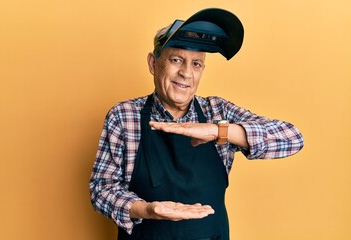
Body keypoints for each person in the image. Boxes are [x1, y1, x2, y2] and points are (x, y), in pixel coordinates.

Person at [89, 8, 304, 240]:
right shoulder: (124, 116)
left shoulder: (218, 111)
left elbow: (292, 138)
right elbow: (102, 189)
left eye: (196, 64)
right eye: (176, 60)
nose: (186, 73)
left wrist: (219, 131)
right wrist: (146, 209)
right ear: (153, 63)